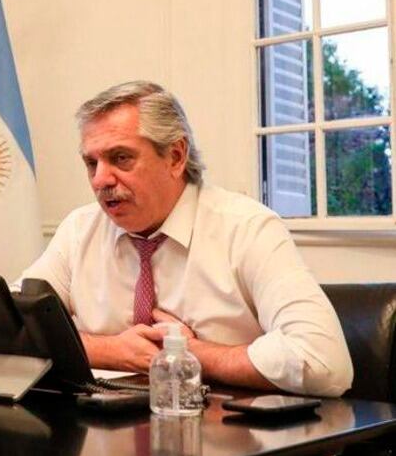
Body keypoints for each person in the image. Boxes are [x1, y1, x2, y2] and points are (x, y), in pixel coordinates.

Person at [20, 80, 352, 397]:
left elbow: (324, 360)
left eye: (121, 158)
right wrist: (111, 350)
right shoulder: (80, 230)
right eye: (91, 162)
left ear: (176, 157)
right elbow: (3, 329)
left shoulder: (247, 228)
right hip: (108, 434)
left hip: (230, 438)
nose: (100, 179)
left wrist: (190, 354)